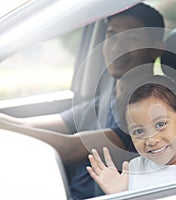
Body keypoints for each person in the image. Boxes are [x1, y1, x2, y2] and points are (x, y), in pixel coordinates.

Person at [0, 3, 164, 199]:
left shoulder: (153, 111)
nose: (116, 47)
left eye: (131, 39)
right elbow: (25, 125)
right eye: (111, 35)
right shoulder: (105, 102)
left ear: (156, 49)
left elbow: (67, 148)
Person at [86, 75, 176, 194]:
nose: (151, 140)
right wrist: (121, 194)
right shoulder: (135, 168)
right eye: (138, 131)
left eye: (161, 124)